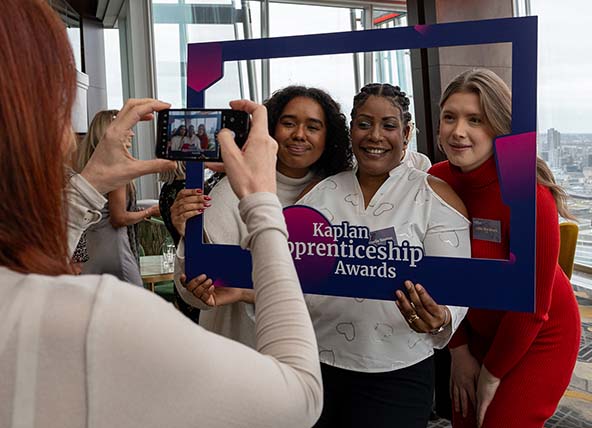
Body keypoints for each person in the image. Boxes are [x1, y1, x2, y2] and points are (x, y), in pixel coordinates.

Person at [0, 2, 323, 428]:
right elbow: (298, 398)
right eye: (66, 100)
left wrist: (87, 186)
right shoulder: (102, 318)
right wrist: (262, 204)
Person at [293, 83, 470, 428]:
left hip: (399, 372)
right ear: (351, 130)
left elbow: (456, 285)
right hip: (316, 365)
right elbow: (290, 270)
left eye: (388, 125)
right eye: (364, 124)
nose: (375, 135)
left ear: (405, 134)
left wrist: (444, 315)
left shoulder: (434, 195)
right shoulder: (318, 194)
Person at [429, 69, 581, 428]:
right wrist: (460, 351)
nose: (458, 131)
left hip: (538, 331)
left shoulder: (528, 192)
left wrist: (492, 374)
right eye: (449, 117)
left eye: (475, 119)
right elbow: (437, 275)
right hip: (475, 329)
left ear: (498, 127)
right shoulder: (434, 181)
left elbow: (530, 307)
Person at [173, 85, 353, 345]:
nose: (300, 135)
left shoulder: (341, 196)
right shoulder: (232, 190)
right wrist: (190, 235)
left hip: (319, 355)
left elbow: (342, 291)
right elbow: (195, 291)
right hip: (240, 352)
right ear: (269, 130)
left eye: (313, 127)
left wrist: (246, 291)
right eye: (288, 123)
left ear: (329, 136)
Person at [76, 110, 159, 286]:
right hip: (115, 250)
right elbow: (119, 218)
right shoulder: (116, 170)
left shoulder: (88, 166)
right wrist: (149, 211)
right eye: (128, 128)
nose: (133, 133)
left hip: (92, 250)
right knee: (136, 306)